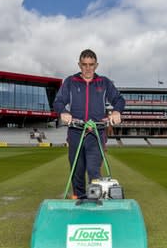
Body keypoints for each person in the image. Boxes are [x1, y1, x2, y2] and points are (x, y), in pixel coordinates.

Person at [53, 49, 125, 199]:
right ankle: (78, 200)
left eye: (91, 65)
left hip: (96, 133)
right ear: (79, 65)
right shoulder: (71, 82)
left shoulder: (104, 82)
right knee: (77, 171)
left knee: (94, 171)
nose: (88, 68)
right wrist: (63, 112)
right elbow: (58, 101)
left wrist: (117, 111)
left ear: (96, 65)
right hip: (75, 132)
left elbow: (119, 100)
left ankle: (95, 203)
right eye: (84, 64)